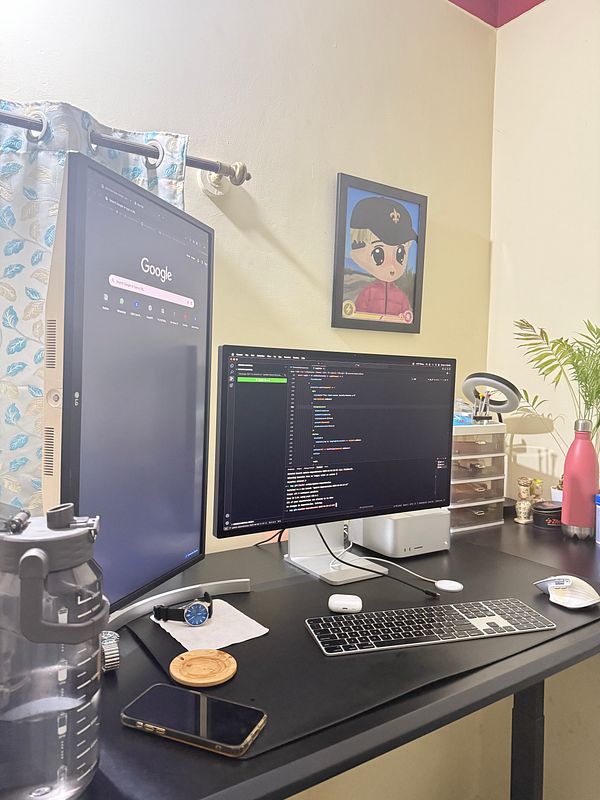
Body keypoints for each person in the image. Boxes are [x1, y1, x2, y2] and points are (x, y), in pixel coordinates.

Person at [348, 196, 417, 319]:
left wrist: (404, 318)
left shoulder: (401, 297)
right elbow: (357, 317)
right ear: (358, 252)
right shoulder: (368, 294)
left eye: (400, 253)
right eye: (378, 253)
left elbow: (408, 317)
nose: (392, 265)